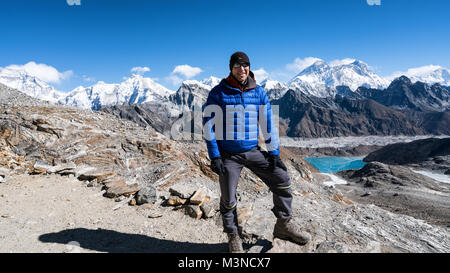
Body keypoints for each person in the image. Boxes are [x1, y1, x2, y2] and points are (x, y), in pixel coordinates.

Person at [202, 51, 311, 253]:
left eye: (245, 65)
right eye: (237, 66)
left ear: (249, 68)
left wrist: (274, 152)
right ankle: (233, 236)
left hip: (253, 150)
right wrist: (215, 155)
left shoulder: (258, 92)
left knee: (282, 178)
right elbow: (208, 125)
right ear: (230, 68)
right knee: (228, 197)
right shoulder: (218, 92)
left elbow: (267, 122)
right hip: (228, 155)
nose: (241, 69)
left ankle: (284, 224)